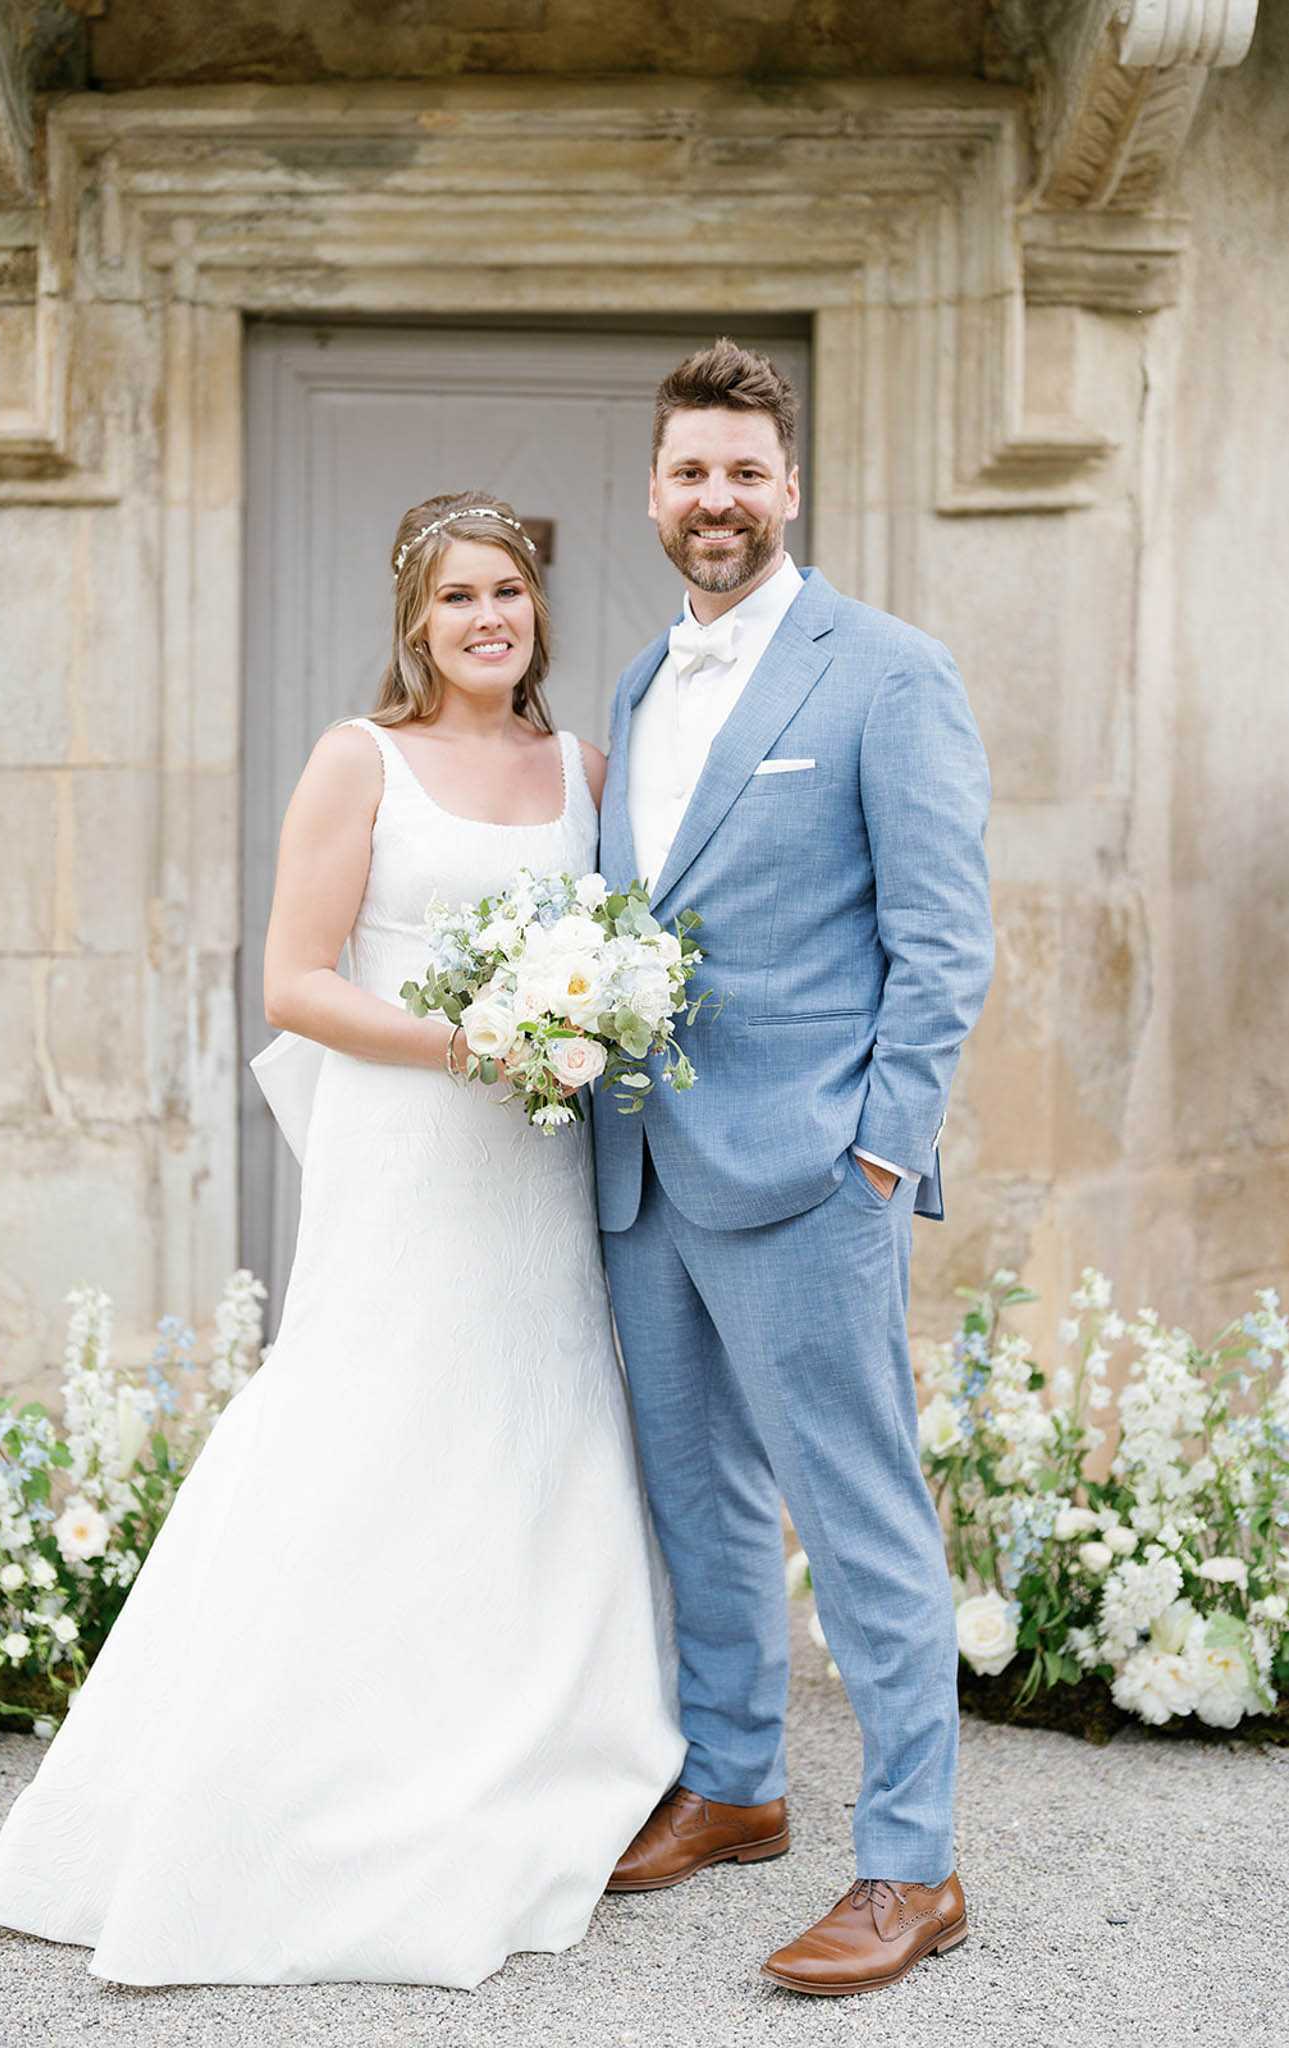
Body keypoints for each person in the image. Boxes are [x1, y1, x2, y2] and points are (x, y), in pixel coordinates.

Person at [0, 491, 682, 1990]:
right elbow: (295, 983)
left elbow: (623, 943)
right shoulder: (356, 762)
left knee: (531, 1417)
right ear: (414, 623)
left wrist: (593, 1012)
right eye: (456, 598)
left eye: (509, 592)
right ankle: (287, 1756)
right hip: (417, 1150)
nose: (488, 616)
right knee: (371, 1414)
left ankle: (527, 1728)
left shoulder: (583, 768)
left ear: (536, 611)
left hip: (537, 1167)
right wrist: (472, 1038)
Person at [596, 339, 994, 1997]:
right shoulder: (631, 680)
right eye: (691, 472)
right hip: (642, 1170)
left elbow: (943, 939)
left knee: (861, 1515)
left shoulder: (884, 672)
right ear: (654, 491)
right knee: (698, 1498)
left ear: (790, 488)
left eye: (744, 473)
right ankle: (737, 1783)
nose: (716, 500)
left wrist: (881, 1157)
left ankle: (912, 1868)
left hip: (814, 1175)